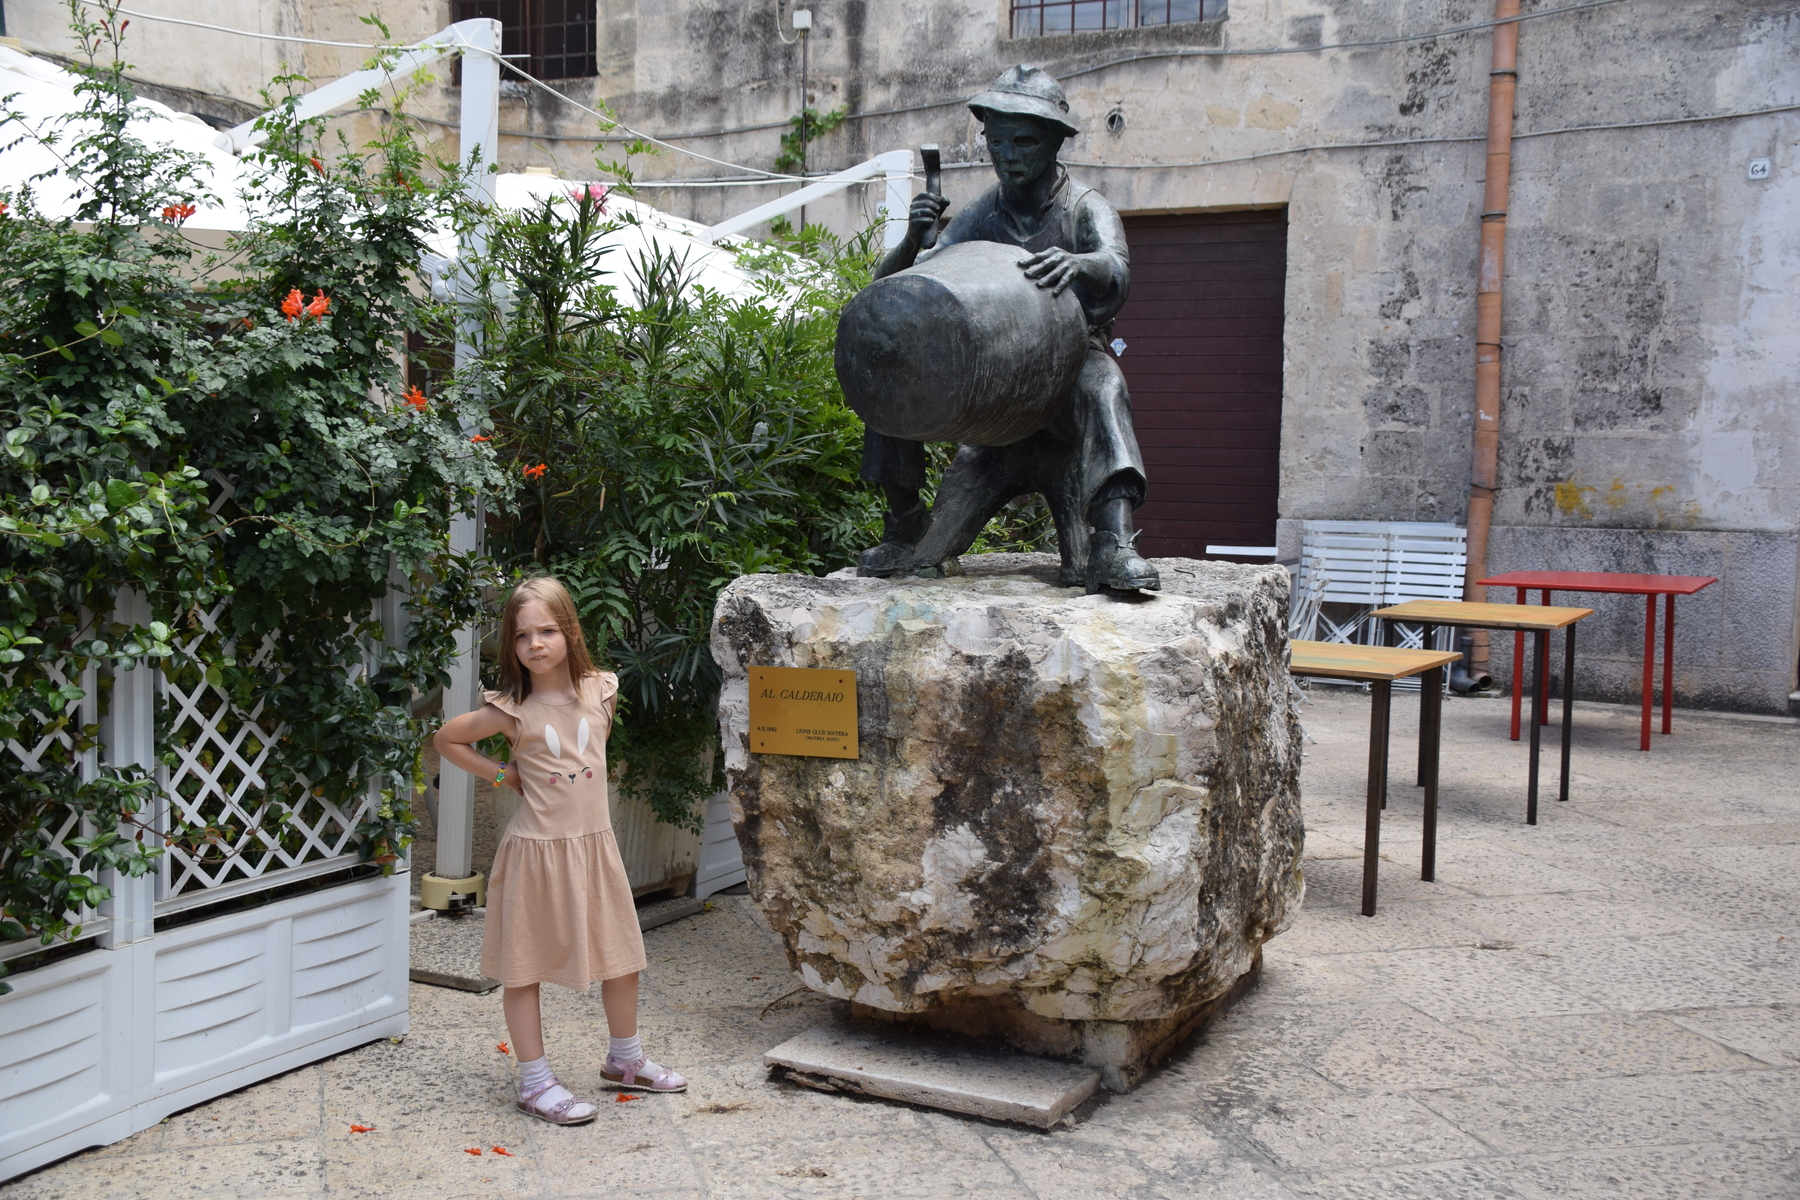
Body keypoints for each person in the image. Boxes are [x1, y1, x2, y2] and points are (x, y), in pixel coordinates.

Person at [856, 64, 1160, 594]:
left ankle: (1113, 538)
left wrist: (1079, 263)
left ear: (1054, 142)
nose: (1008, 155)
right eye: (996, 142)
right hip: (998, 375)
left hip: (1068, 368)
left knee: (1104, 385)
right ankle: (905, 524)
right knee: (894, 359)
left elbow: (1116, 266)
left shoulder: (1084, 208)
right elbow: (897, 291)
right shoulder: (982, 214)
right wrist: (911, 240)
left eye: (1023, 142)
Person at [434, 576, 686, 1126]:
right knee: (523, 969)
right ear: (511, 644)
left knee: (623, 957)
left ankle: (625, 1060)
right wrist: (502, 773)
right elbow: (447, 739)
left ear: (570, 631)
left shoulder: (602, 691)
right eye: (522, 635)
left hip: (594, 849)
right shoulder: (510, 710)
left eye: (547, 631)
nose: (535, 644)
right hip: (535, 855)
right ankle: (535, 1082)